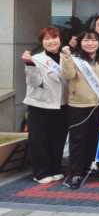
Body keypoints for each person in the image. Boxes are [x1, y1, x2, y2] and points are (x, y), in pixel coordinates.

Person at [60, 30, 99, 190]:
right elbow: (67, 74)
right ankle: (76, 173)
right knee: (78, 140)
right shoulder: (74, 58)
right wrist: (66, 56)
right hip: (77, 105)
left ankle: (90, 167)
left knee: (94, 138)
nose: (90, 43)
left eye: (93, 40)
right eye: (86, 40)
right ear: (80, 43)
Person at [22, 26, 69, 184]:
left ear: (60, 40)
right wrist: (29, 64)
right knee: (39, 140)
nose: (51, 41)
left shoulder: (67, 58)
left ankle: (55, 169)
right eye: (47, 38)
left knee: (58, 139)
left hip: (62, 105)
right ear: (42, 42)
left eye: (54, 37)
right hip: (39, 105)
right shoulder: (36, 59)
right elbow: (33, 83)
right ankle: (41, 172)